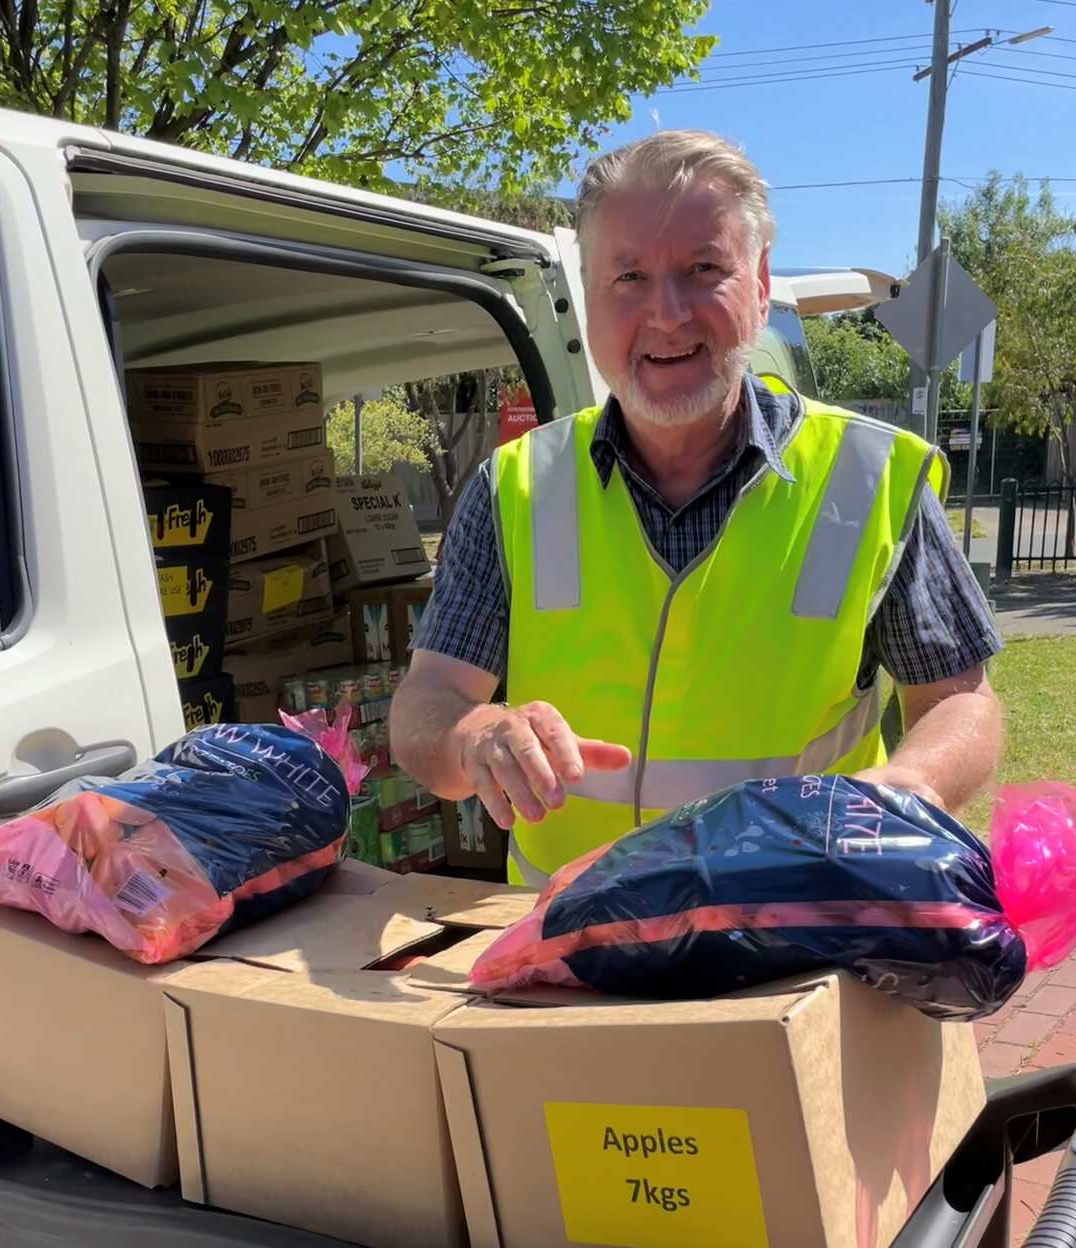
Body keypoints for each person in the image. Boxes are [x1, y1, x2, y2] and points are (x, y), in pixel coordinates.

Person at [389, 129, 1003, 886]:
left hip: (791, 937)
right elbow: (427, 703)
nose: (668, 313)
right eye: (630, 277)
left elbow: (962, 704)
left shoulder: (869, 480)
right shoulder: (513, 485)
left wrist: (907, 788)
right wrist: (473, 734)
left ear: (760, 281)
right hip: (565, 955)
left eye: (703, 268)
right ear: (588, 293)